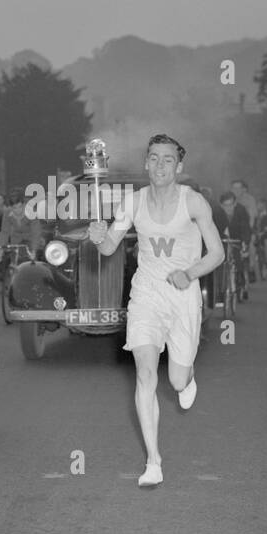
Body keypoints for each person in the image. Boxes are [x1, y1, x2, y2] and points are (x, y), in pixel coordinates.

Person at [88, 134, 224, 488]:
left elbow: (217, 254)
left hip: (182, 295)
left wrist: (189, 273)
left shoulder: (193, 203)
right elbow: (107, 249)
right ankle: (153, 460)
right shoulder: (132, 203)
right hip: (146, 294)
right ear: (145, 163)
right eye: (153, 158)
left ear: (179, 167)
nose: (159, 165)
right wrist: (99, 235)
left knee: (176, 380)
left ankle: (188, 377)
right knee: (146, 374)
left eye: (167, 160)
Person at [218, 190, 252, 301]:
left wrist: (245, 242)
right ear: (221, 205)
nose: (228, 208)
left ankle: (240, 284)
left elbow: (246, 228)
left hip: (237, 239)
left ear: (235, 204)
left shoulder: (241, 211)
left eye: (231, 205)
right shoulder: (217, 213)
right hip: (223, 240)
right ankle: (220, 290)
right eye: (225, 205)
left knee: (238, 261)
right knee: (218, 264)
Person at [0, 188, 43, 262]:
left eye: (20, 207)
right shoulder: (7, 213)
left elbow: (36, 232)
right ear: (10, 207)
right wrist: (1, 248)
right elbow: (4, 232)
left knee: (32, 264)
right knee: (14, 263)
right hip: (16, 241)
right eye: (14, 208)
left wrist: (34, 250)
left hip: (31, 240)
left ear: (23, 204)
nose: (18, 210)